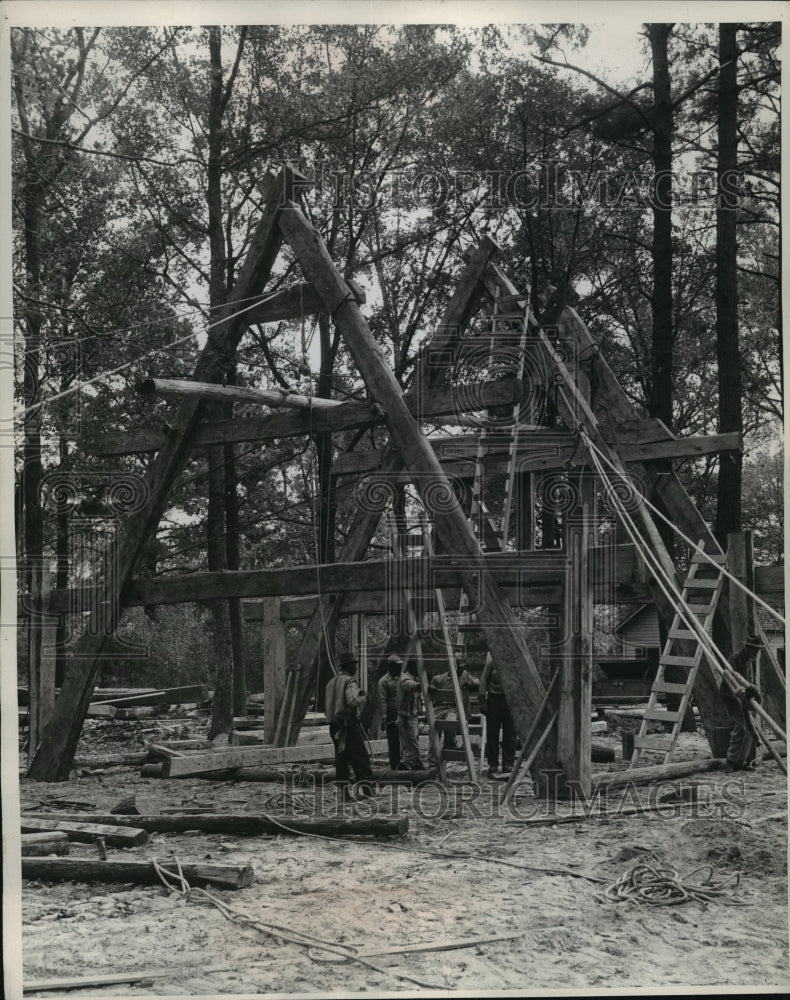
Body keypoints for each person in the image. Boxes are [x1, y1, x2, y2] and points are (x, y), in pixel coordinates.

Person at [325, 651, 374, 797]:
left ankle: (344, 793)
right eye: (355, 665)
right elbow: (353, 701)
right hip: (348, 725)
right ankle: (367, 789)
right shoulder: (349, 681)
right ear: (349, 666)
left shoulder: (330, 683)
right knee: (360, 757)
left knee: (341, 760)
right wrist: (363, 696)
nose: (356, 669)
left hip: (334, 726)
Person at [427, 664, 479, 767]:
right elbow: (431, 694)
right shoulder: (438, 679)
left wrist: (471, 683)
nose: (460, 670)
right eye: (457, 668)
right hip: (439, 707)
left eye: (461, 668)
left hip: (455, 708)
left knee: (450, 720)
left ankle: (450, 744)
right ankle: (432, 760)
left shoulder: (465, 675)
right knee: (433, 729)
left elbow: (477, 681)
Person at [723, 634, 762, 769]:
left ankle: (741, 762)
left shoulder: (748, 662)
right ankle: (730, 761)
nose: (756, 654)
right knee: (740, 727)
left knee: (750, 728)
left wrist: (752, 691)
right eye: (755, 650)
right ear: (748, 648)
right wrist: (740, 690)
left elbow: (748, 683)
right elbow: (728, 676)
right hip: (730, 695)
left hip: (741, 696)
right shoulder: (734, 658)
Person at [478, 659, 516, 777]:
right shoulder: (491, 663)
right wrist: (482, 700)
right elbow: (483, 680)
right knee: (492, 733)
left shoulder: (514, 662)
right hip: (494, 700)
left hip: (510, 700)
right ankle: (493, 763)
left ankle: (508, 763)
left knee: (510, 732)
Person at [397, 659, 425, 770]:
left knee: (411, 742)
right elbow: (413, 686)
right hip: (405, 716)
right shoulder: (405, 679)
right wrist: (425, 686)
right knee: (411, 742)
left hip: (411, 716)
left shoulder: (414, 678)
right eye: (418, 668)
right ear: (413, 668)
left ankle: (409, 764)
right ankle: (413, 764)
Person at [377, 654, 403, 769]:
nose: (400, 668)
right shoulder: (383, 681)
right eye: (397, 666)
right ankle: (395, 763)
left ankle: (407, 761)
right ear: (391, 666)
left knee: (407, 738)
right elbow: (382, 700)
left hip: (405, 712)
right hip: (392, 713)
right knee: (393, 740)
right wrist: (384, 718)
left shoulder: (404, 678)